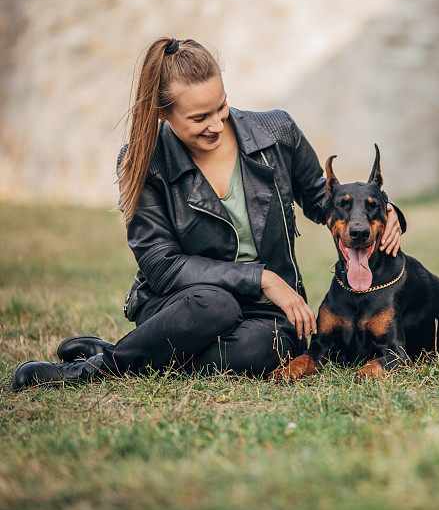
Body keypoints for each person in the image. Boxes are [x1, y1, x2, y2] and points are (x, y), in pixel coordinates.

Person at [11, 37, 406, 390]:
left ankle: (135, 352)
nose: (217, 124)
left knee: (259, 353)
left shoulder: (278, 133)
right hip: (185, 304)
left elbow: (326, 201)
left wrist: (384, 215)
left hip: (268, 315)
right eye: (199, 118)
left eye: (221, 107)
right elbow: (162, 266)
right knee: (214, 305)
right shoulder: (142, 162)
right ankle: (99, 368)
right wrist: (261, 277)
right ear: (163, 114)